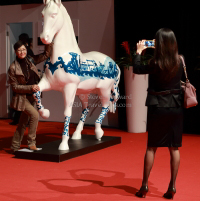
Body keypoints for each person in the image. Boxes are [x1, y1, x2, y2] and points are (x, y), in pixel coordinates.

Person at [133, 28, 184, 199]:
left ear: (159, 44)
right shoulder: (180, 60)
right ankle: (173, 186)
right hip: (175, 107)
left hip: (157, 107)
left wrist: (139, 52)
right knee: (174, 147)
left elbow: (137, 69)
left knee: (151, 147)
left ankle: (144, 185)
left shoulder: (155, 63)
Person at [8, 40, 52, 152]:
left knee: (22, 123)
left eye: (23, 49)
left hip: (32, 97)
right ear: (15, 52)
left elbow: (46, 55)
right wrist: (30, 87)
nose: (22, 52)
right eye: (19, 50)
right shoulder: (13, 68)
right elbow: (15, 87)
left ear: (26, 50)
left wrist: (47, 42)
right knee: (35, 115)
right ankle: (31, 143)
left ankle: (14, 146)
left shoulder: (31, 60)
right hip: (21, 98)